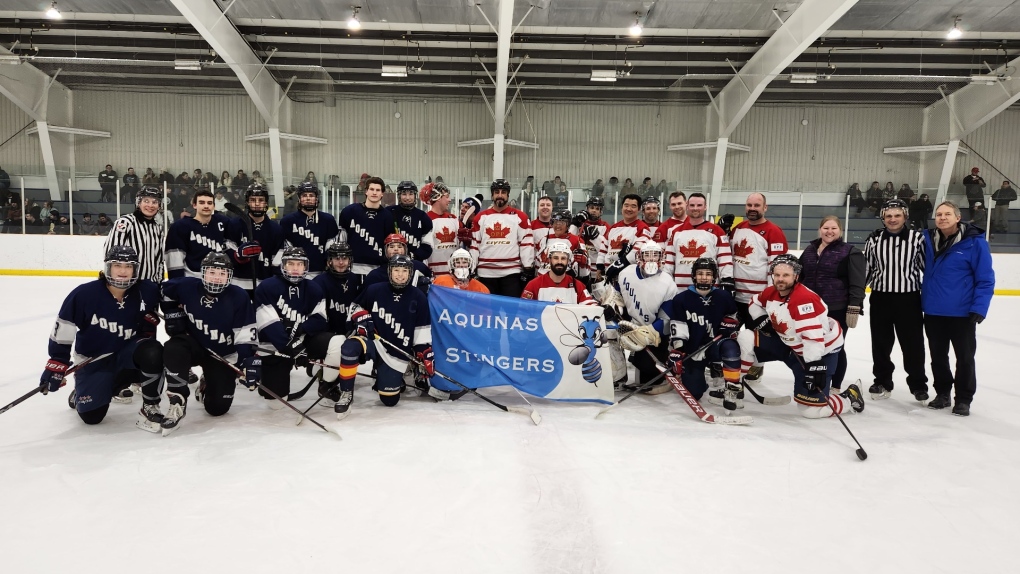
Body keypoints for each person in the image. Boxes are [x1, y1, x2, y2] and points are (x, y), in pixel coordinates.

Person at [40, 246, 163, 425]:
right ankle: (85, 389)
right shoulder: (84, 294)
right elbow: (64, 328)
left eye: (128, 266)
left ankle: (150, 405)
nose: (123, 271)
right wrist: (57, 362)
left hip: (125, 355)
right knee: (92, 417)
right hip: (94, 360)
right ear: (108, 267)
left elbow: (179, 295)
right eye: (117, 265)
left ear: (135, 269)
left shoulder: (146, 291)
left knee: (153, 352)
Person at [733, 255, 864, 417]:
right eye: (777, 275)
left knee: (811, 411)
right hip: (786, 344)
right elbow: (754, 302)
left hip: (818, 353)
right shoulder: (772, 292)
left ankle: (849, 397)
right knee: (746, 337)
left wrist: (815, 366)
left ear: (796, 276)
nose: (780, 279)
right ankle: (735, 385)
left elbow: (812, 338)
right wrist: (762, 320)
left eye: (786, 275)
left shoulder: (803, 300)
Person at [152, 252, 257, 435]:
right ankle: (177, 400)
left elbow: (245, 333)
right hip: (193, 344)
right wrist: (172, 313)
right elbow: (162, 291)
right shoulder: (185, 286)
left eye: (222, 273)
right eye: (212, 272)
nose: (216, 278)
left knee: (218, 408)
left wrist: (246, 361)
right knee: (174, 347)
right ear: (202, 272)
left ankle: (206, 383)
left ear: (229, 276)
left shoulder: (239, 296)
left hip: (222, 354)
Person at [324, 255, 436, 417]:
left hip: (396, 352)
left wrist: (424, 352)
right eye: (396, 270)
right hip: (373, 341)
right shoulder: (375, 289)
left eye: (404, 271)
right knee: (349, 347)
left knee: (389, 401)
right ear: (390, 272)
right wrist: (362, 317)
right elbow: (355, 307)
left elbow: (421, 329)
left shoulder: (418, 296)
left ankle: (383, 375)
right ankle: (346, 393)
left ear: (410, 273)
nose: (400, 274)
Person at [921, 201, 995, 416]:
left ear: (958, 217)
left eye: (947, 214)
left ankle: (963, 398)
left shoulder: (974, 243)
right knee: (938, 357)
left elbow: (986, 279)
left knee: (964, 357)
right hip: (933, 311)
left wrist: (979, 307)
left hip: (962, 313)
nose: (942, 218)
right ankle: (942, 393)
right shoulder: (926, 239)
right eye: (939, 214)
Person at [862, 198, 929, 403]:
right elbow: (868, 268)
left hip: (908, 299)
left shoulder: (917, 239)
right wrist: (856, 296)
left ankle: (918, 384)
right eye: (888, 216)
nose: (893, 219)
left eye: (897, 215)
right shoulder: (874, 239)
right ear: (883, 217)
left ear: (905, 216)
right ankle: (882, 381)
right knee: (881, 343)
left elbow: (926, 268)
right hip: (881, 297)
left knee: (913, 344)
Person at [253, 247, 329, 407]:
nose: (295, 268)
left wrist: (301, 330)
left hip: (302, 342)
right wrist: (290, 346)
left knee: (335, 343)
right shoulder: (266, 287)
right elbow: (268, 323)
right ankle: (265, 375)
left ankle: (328, 383)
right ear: (283, 265)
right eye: (291, 264)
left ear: (306, 266)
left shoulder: (314, 288)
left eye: (299, 264)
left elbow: (320, 318)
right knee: (276, 404)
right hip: (274, 347)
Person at [797, 216, 866, 393]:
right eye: (826, 228)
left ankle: (835, 384)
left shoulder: (850, 251)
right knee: (812, 344)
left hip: (837, 308)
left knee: (835, 346)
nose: (829, 231)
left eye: (834, 228)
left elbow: (858, 281)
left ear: (840, 231)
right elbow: (800, 276)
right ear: (820, 229)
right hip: (811, 309)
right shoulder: (810, 250)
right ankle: (815, 380)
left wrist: (854, 305)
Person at [600, 242, 677, 391]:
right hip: (628, 324)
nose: (651, 260)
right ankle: (617, 375)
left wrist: (646, 334)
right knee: (607, 325)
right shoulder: (625, 273)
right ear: (639, 257)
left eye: (655, 255)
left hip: (652, 333)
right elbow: (617, 295)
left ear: (662, 258)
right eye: (647, 255)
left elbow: (666, 319)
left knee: (648, 372)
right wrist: (612, 307)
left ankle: (650, 361)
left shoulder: (668, 282)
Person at [729, 192, 788, 382]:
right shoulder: (738, 228)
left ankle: (757, 365)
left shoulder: (774, 231)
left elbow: (778, 267)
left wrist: (770, 297)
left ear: (765, 207)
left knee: (758, 336)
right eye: (749, 205)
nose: (752, 209)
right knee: (732, 333)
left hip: (758, 298)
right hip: (736, 295)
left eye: (756, 205)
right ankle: (733, 362)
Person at [665, 257, 741, 401]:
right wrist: (679, 351)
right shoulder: (681, 299)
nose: (704, 278)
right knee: (695, 393)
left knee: (731, 346)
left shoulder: (723, 296)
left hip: (715, 345)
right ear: (693, 276)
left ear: (714, 277)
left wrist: (731, 325)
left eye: (708, 274)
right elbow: (678, 327)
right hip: (693, 350)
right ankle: (699, 374)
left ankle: (731, 388)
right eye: (700, 274)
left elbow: (734, 317)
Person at [307, 242, 367, 407]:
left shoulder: (355, 280)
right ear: (329, 261)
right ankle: (324, 380)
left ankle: (331, 372)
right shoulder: (319, 281)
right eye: (336, 258)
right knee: (336, 346)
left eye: (344, 258)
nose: (341, 262)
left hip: (348, 331)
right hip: (326, 334)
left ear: (350, 260)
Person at [470, 179, 535, 297]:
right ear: (492, 195)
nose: (500, 195)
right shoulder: (481, 217)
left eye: (503, 192)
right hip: (486, 275)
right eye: (496, 192)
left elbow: (526, 244)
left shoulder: (520, 217)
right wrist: (472, 268)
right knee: (487, 314)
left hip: (511, 275)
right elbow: (475, 245)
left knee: (511, 313)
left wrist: (528, 267)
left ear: (508, 195)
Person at [664, 192, 733, 293]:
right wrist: (666, 282)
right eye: (692, 205)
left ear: (705, 207)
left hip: (709, 290)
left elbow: (724, 260)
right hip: (680, 290)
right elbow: (669, 262)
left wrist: (727, 280)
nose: (695, 208)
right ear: (687, 206)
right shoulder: (676, 232)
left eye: (699, 205)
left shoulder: (717, 231)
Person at [225, 183, 285, 295]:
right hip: (238, 285)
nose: (257, 204)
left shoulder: (276, 229)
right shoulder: (234, 224)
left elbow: (277, 261)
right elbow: (227, 254)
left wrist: (275, 283)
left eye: (261, 200)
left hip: (266, 285)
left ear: (266, 203)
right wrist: (238, 255)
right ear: (247, 202)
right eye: (253, 200)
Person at [104, 186, 166, 284]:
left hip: (150, 285)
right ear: (138, 203)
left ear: (159, 206)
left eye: (154, 202)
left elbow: (160, 260)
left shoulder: (157, 228)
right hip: (127, 284)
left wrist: (159, 283)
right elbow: (111, 252)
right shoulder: (126, 222)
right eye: (146, 201)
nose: (150, 205)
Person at [281, 181, 342, 277]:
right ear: (299, 199)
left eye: (311, 195)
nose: (308, 198)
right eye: (304, 195)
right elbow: (286, 249)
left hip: (322, 274)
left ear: (317, 198)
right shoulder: (287, 221)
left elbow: (332, 249)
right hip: (296, 274)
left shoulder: (328, 220)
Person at [166, 189, 230, 279]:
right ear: (194, 205)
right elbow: (174, 259)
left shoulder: (222, 223)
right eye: (202, 202)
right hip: (191, 280)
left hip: (217, 280)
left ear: (213, 206)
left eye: (209, 203)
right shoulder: (181, 226)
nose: (206, 206)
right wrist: (178, 284)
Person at [338, 176, 394, 276]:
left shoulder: (388, 216)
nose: (374, 192)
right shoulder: (349, 211)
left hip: (377, 268)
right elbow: (342, 240)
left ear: (382, 194)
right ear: (366, 191)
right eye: (371, 189)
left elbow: (388, 244)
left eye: (378, 190)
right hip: (351, 266)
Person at [522, 240, 595, 304]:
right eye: (556, 258)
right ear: (549, 260)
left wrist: (601, 309)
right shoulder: (534, 285)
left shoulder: (578, 286)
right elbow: (523, 311)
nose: (559, 262)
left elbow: (590, 305)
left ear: (568, 261)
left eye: (563, 258)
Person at [596, 194, 650, 277]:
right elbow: (604, 248)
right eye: (626, 205)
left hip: (629, 276)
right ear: (622, 207)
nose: (629, 209)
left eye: (633, 206)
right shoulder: (614, 227)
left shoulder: (642, 228)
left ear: (639, 209)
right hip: (608, 275)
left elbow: (637, 252)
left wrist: (619, 264)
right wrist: (600, 267)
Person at [364, 233, 432, 295]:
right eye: (391, 247)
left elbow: (432, 284)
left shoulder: (418, 266)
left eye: (400, 247)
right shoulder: (375, 275)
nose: (396, 249)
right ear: (385, 250)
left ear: (405, 250)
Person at [386, 180, 433, 262]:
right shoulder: (388, 213)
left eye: (411, 194)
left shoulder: (423, 217)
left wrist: (412, 256)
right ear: (399, 196)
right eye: (404, 194)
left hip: (415, 263)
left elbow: (427, 246)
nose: (407, 198)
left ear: (415, 196)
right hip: (390, 263)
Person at [422, 182, 459, 276]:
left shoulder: (454, 218)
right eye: (446, 197)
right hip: (434, 275)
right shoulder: (425, 219)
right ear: (437, 198)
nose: (449, 200)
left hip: (454, 274)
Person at [536, 210, 587, 279]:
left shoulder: (577, 240)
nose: (558, 225)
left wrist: (583, 262)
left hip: (564, 280)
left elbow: (584, 269)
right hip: (543, 280)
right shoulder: (544, 239)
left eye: (562, 222)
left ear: (568, 224)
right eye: (555, 222)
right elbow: (538, 261)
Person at [570, 196, 608, 282]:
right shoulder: (580, 223)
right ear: (587, 209)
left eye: (597, 209)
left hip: (596, 273)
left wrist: (596, 236)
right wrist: (574, 223)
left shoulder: (605, 227)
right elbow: (570, 242)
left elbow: (605, 250)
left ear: (601, 211)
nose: (594, 210)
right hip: (579, 270)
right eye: (591, 208)